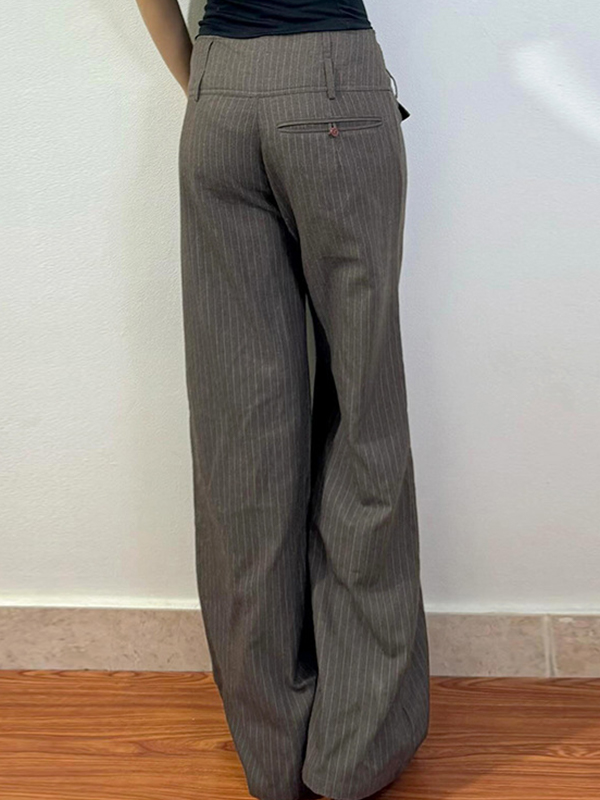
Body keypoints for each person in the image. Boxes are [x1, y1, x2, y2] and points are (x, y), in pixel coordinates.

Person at [134, 2, 430, 799]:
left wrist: (210, 85)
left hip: (218, 93)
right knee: (362, 415)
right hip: (334, 84)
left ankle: (273, 754)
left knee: (242, 430)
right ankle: (353, 753)